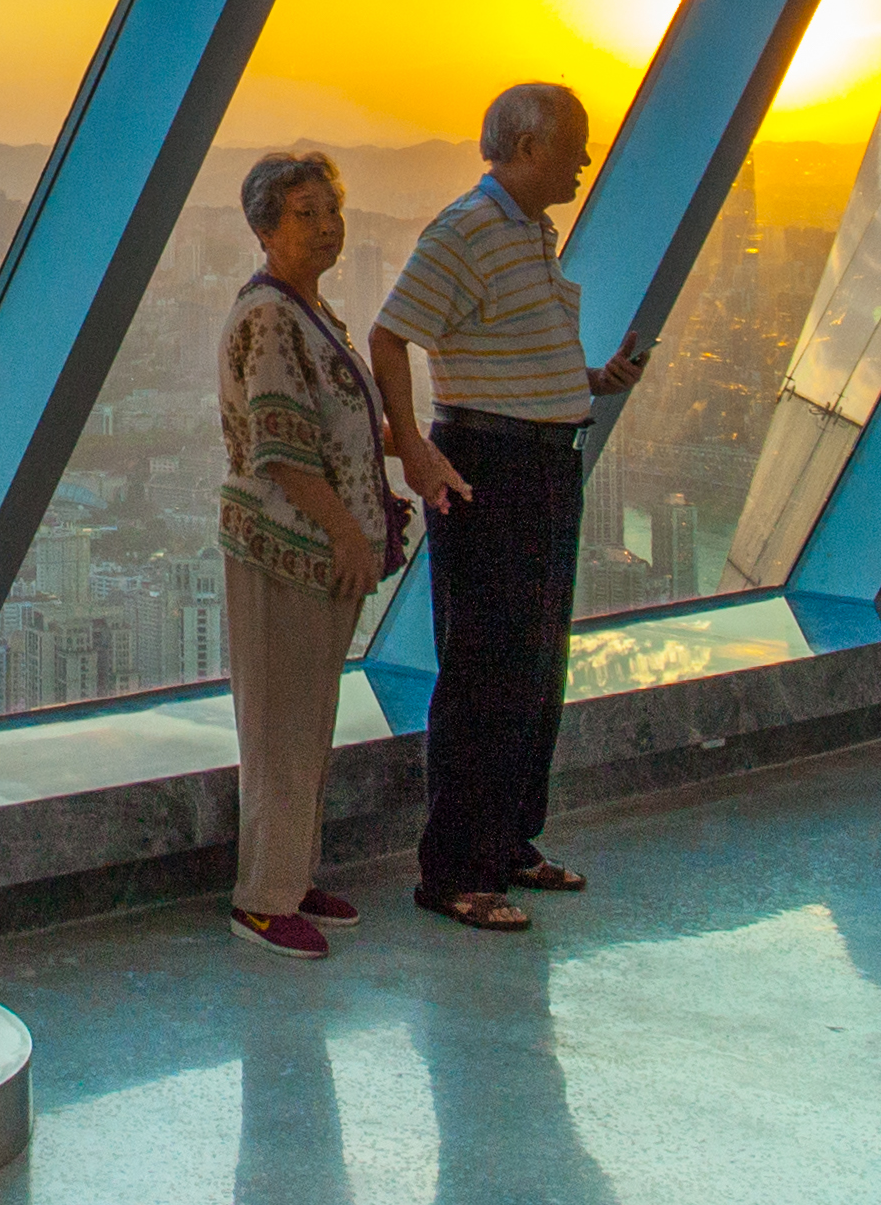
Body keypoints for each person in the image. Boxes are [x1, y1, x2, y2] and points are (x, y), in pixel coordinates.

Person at [370, 82, 644, 932]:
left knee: (535, 664)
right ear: (527, 148)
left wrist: (589, 381)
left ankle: (510, 842)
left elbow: (506, 342)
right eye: (574, 146)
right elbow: (391, 333)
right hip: (488, 466)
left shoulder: (530, 232)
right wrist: (414, 447)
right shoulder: (464, 230)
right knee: (485, 668)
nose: (585, 162)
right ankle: (451, 869)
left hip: (545, 463)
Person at [217, 149, 391, 959]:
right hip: (284, 548)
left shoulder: (311, 310)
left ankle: (293, 873)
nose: (326, 226)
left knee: (309, 720)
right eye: (304, 213)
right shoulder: (270, 318)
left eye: (331, 209)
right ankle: (262, 895)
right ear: (263, 228)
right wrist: (350, 533)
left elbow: (337, 428)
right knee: (280, 725)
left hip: (315, 551)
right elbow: (283, 449)